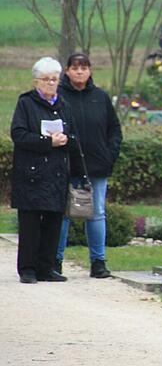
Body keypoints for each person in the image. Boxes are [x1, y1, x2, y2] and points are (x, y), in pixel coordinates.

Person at [55, 53, 122, 278]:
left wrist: (109, 156)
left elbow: (114, 130)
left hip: (96, 166)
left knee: (97, 214)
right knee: (62, 214)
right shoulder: (59, 97)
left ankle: (98, 262)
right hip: (66, 164)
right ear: (67, 71)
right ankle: (56, 261)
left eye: (84, 67)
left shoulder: (100, 97)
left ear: (90, 70)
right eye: (75, 67)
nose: (80, 71)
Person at [12, 57, 75, 284]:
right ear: (36, 81)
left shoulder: (63, 105)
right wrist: (47, 142)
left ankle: (46, 267)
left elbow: (73, 134)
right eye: (46, 80)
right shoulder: (26, 104)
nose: (51, 84)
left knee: (52, 222)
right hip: (31, 173)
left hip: (56, 172)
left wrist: (66, 139)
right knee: (30, 223)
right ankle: (27, 269)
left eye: (54, 79)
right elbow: (18, 135)